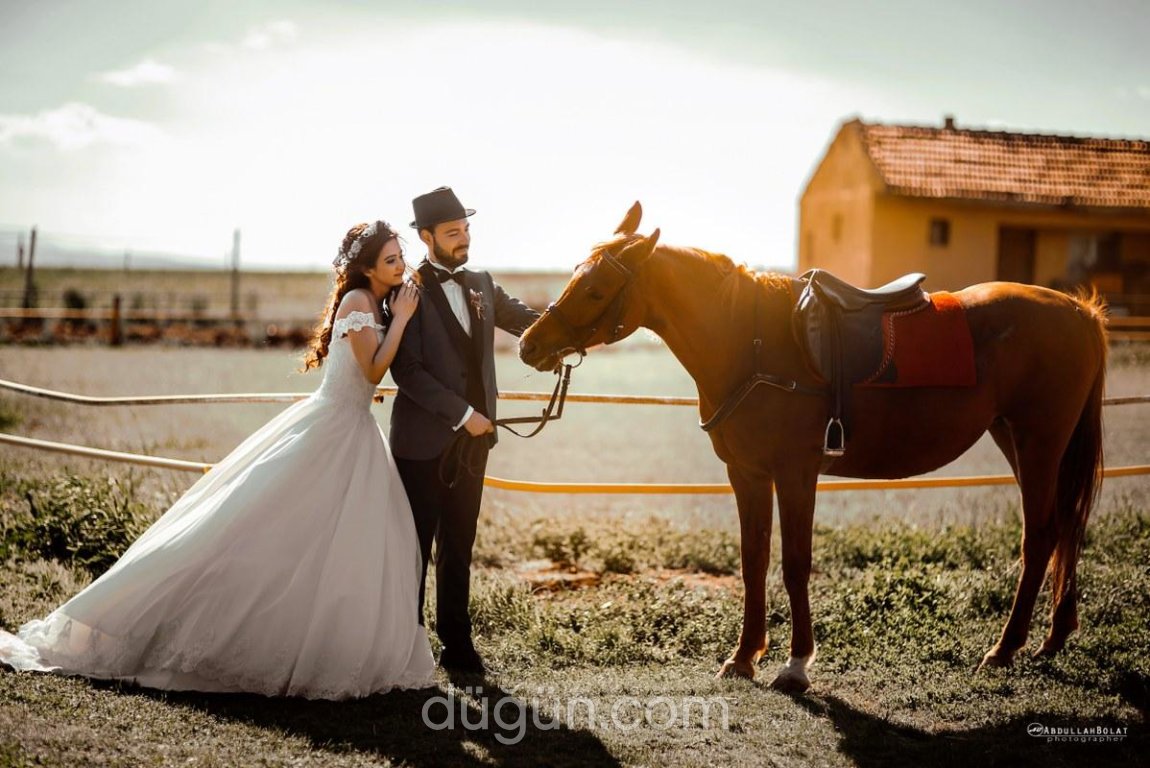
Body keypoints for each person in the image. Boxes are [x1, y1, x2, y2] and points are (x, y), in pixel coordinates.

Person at [0, 221, 435, 700]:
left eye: (400, 257)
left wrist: (401, 314)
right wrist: (402, 320)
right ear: (367, 267)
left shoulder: (379, 302)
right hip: (332, 428)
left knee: (332, 542)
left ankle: (328, 640)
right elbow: (373, 371)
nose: (400, 265)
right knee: (257, 527)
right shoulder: (359, 303)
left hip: (352, 431)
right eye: (390, 259)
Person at [390, 187, 539, 674]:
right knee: (414, 548)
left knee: (460, 543)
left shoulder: (481, 281)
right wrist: (462, 414)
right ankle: (407, 647)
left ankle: (457, 645)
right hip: (423, 441)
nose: (464, 239)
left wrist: (575, 331)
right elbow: (407, 370)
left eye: (467, 230)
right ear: (427, 237)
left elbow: (525, 320)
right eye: (453, 233)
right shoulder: (405, 289)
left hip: (475, 442)